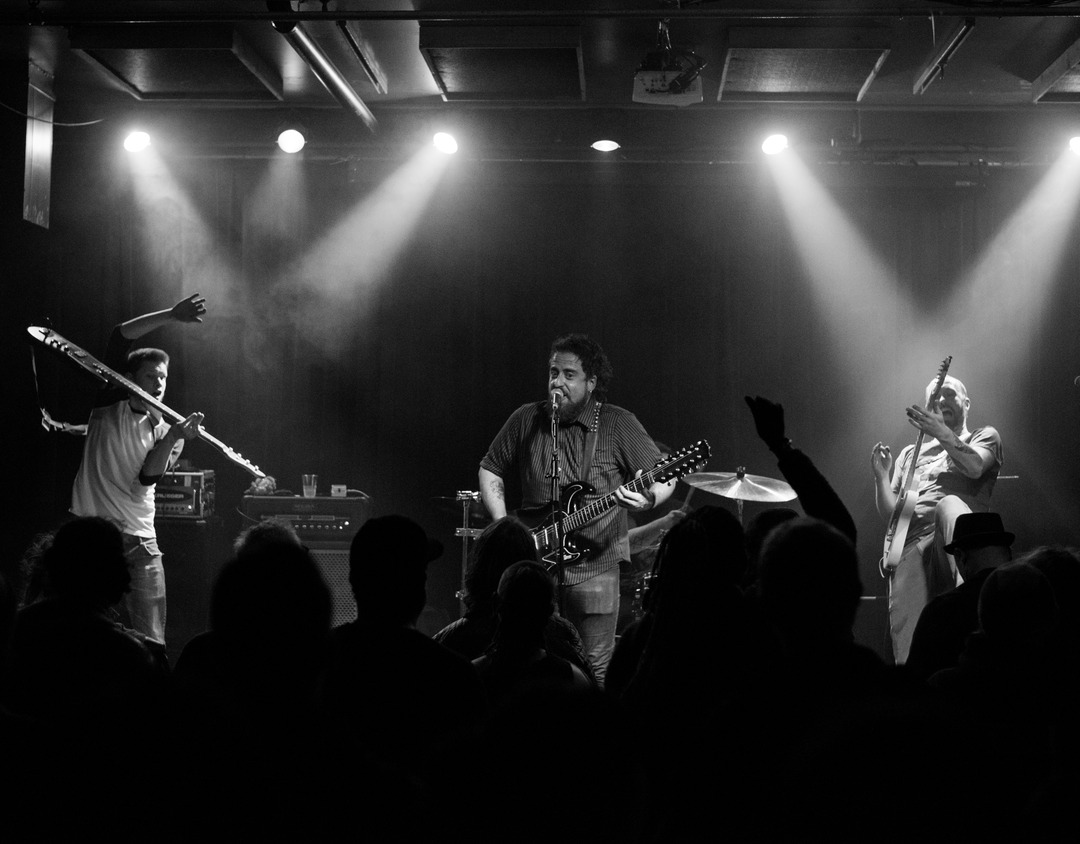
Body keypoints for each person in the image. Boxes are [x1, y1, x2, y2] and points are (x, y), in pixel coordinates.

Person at [478, 334, 674, 685]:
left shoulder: (617, 423)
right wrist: (505, 525)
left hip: (596, 568)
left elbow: (664, 475)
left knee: (595, 672)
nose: (557, 382)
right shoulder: (526, 418)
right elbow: (490, 467)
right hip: (534, 568)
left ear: (591, 382)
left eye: (569, 375)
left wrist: (649, 499)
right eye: (553, 372)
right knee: (531, 665)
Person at [69, 293, 207, 647]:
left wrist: (174, 437)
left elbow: (146, 479)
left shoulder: (169, 431)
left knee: (152, 642)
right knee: (82, 633)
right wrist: (172, 316)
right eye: (150, 376)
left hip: (140, 541)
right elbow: (119, 336)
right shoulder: (109, 401)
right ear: (130, 378)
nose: (159, 384)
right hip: (92, 534)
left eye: (163, 378)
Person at [871, 374, 1002, 664]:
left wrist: (941, 433)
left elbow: (975, 466)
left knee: (948, 505)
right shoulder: (910, 454)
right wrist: (881, 477)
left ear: (966, 403)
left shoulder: (983, 436)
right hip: (912, 548)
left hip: (954, 539)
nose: (941, 400)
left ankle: (977, 579)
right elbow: (893, 515)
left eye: (949, 393)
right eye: (935, 397)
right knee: (911, 651)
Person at [905, 511, 1014, 682]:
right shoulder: (1033, 599)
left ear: (960, 556)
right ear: (1008, 552)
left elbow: (913, 681)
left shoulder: (941, 610)